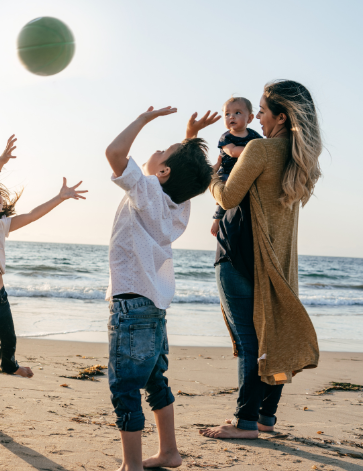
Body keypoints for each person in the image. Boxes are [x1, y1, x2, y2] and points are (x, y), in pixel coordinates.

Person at [200, 80, 322, 439]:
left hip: (239, 258)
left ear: (281, 117)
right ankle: (266, 416)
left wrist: (215, 171)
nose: (261, 122)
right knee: (276, 340)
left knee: (250, 344)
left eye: (265, 113)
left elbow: (227, 198)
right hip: (278, 265)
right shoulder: (302, 161)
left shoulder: (259, 150)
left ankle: (245, 422)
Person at [105, 106, 216, 470]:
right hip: (154, 307)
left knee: (125, 389)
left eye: (161, 152)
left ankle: (131, 466)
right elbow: (186, 174)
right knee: (155, 380)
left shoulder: (147, 188)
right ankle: (169, 451)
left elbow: (115, 154)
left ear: (163, 171)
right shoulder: (178, 203)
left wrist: (141, 120)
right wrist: (188, 136)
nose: (154, 152)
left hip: (130, 305)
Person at [0, 134, 87, 429]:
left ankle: (10, 365)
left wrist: (60, 197)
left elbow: (31, 215)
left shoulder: (3, 224)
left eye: (1, 194)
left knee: (10, 341)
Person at [209, 97, 263, 237]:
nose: (231, 116)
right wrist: (253, 150)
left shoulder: (254, 136)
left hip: (245, 173)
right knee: (226, 191)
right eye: (227, 114)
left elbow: (264, 148)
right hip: (227, 172)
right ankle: (217, 219)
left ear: (250, 118)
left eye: (237, 113)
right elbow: (232, 152)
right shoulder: (225, 137)